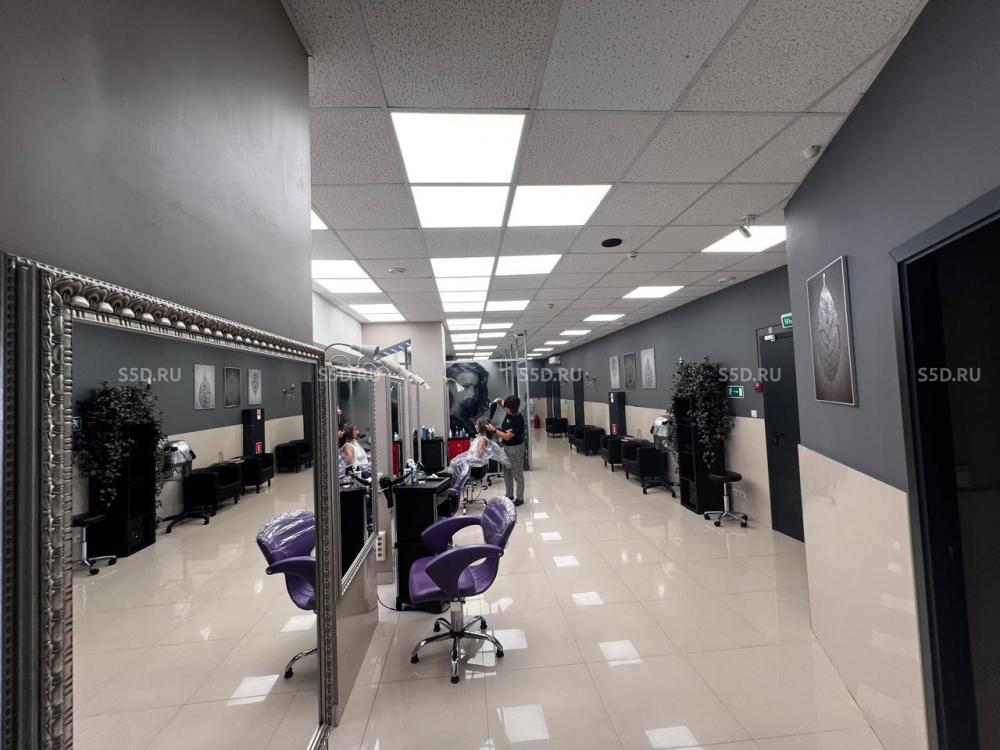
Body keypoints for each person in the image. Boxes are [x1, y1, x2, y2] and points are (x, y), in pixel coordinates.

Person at [487, 395, 525, 507]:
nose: (505, 409)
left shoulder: (518, 421)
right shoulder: (509, 409)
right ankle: (509, 495)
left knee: (517, 473)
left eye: (506, 408)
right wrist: (494, 403)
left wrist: (494, 430)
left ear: (513, 409)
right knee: (507, 472)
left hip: (515, 449)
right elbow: (499, 400)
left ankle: (520, 498)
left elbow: (507, 436)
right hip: (506, 447)